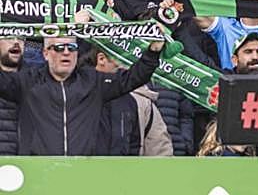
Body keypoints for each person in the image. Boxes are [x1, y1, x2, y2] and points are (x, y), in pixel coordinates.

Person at [0, 34, 163, 155]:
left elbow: (132, 78)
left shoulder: (92, 81)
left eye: (72, 48)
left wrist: (153, 51)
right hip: (39, 173)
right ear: (45, 53)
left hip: (84, 173)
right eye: (59, 48)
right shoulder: (28, 81)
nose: (66, 53)